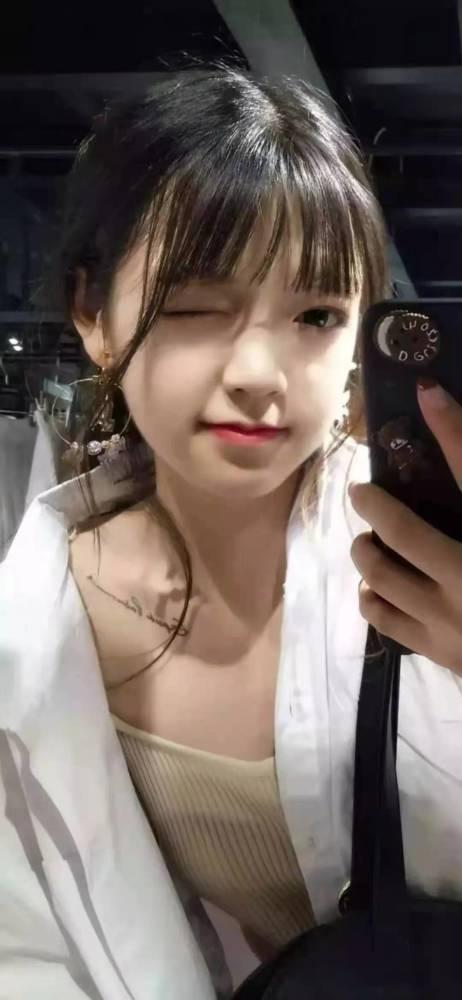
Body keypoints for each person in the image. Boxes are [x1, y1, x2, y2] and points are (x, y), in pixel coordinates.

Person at [1, 61, 462, 1000]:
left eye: (317, 314)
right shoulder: (35, 634)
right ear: (93, 314)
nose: (259, 371)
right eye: (194, 309)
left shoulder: (426, 547)